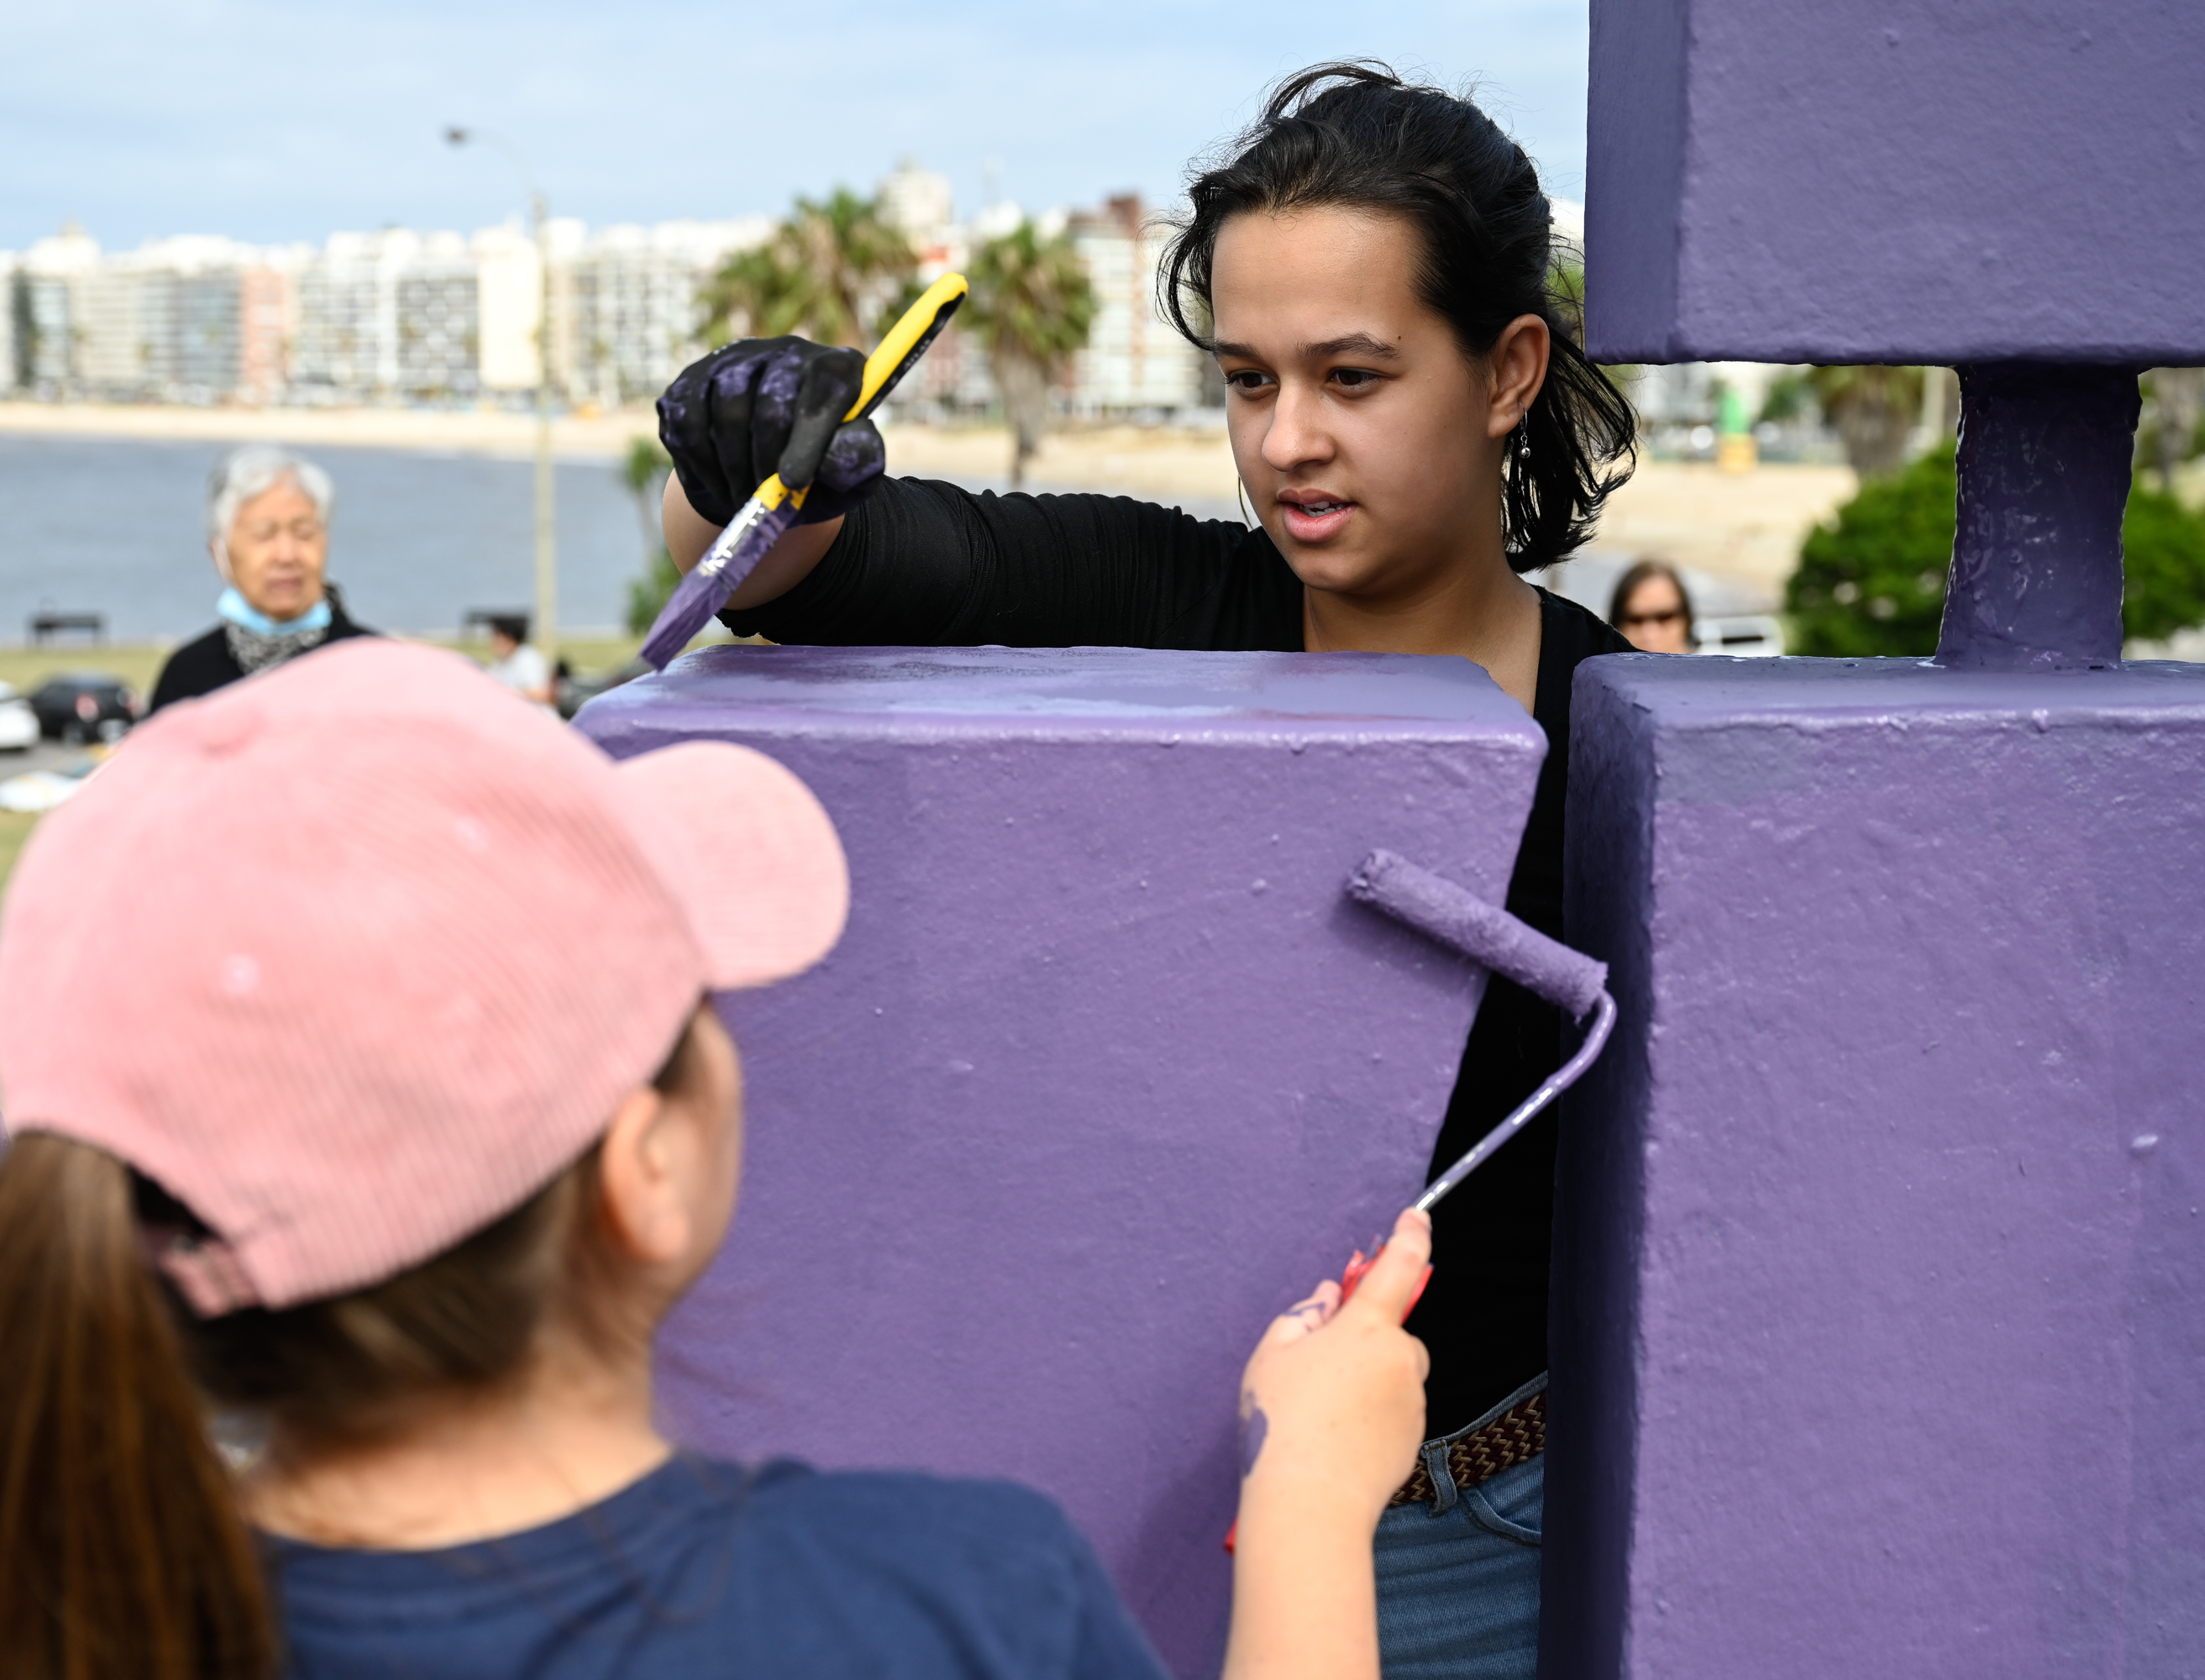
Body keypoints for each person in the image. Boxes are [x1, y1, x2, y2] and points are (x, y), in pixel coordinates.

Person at [0, 638, 1434, 1680]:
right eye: (694, 1004)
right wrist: (1310, 1499)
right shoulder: (943, 1609)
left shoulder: (14, 1617)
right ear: (639, 1171)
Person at [654, 62, 1635, 1677]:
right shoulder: (1166, 595)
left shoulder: (1621, 748)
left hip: (1490, 1529)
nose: (1290, 443)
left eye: (1353, 375)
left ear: (1509, 368)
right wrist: (748, 460)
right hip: (1120, 1492)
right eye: (1247, 382)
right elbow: (839, 570)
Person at [150, 444, 375, 713]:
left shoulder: (374, 667)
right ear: (218, 553)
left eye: (304, 533)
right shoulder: (187, 677)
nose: (286, 555)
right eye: (263, 535)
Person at [1609, 559, 1694, 654]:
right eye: (1635, 620)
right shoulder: (1595, 666)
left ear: (1686, 621)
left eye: (1665, 617)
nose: (1650, 635)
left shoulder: (1710, 667)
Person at [481, 612, 554, 706]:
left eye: (496, 635)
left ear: (509, 638)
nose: (492, 640)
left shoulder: (527, 657)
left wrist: (504, 694)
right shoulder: (500, 662)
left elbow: (540, 693)